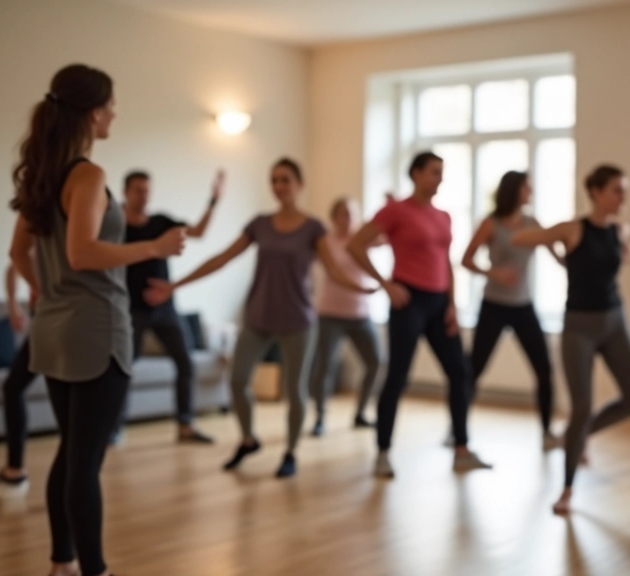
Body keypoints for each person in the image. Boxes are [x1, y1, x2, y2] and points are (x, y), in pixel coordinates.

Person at [9, 63, 186, 576]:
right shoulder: (87, 173)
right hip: (97, 332)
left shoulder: (44, 173)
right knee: (85, 462)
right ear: (93, 112)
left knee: (71, 455)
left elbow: (17, 252)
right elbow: (83, 252)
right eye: (110, 104)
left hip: (55, 331)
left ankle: (62, 562)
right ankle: (95, 569)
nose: (115, 113)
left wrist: (44, 289)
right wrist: (152, 245)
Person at [144, 157, 371, 478]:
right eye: (274, 180)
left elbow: (334, 269)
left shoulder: (313, 228)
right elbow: (221, 258)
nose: (279, 186)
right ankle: (248, 438)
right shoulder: (260, 224)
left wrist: (371, 287)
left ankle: (290, 452)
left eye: (286, 180)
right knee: (237, 381)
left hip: (298, 321)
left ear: (300, 184)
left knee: (295, 391)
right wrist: (175, 285)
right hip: (258, 317)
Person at [512, 164, 630, 515]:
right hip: (579, 327)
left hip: (615, 322)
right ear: (597, 192)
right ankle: (567, 488)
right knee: (581, 407)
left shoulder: (619, 230)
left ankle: (583, 434)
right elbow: (520, 238)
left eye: (625, 190)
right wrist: (549, 240)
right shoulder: (573, 229)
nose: (623, 197)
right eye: (618, 190)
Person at [347, 151, 492, 479]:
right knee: (398, 377)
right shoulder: (396, 210)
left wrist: (453, 304)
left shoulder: (443, 216)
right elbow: (356, 245)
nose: (439, 178)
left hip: (440, 302)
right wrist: (386, 284)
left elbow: (446, 261)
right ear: (415, 174)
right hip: (408, 301)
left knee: (459, 372)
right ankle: (383, 453)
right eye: (433, 172)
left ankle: (461, 449)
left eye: (442, 172)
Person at [112, 168, 225, 444]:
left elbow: (197, 232)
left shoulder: (161, 222)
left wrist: (214, 201)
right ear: (125, 192)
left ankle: (185, 426)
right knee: (122, 368)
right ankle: (113, 429)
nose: (144, 196)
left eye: (147, 190)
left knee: (185, 363)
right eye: (138, 190)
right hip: (131, 310)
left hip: (165, 309)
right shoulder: (115, 226)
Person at [460, 171, 562, 450]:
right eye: (527, 187)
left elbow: (559, 257)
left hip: (523, 306)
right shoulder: (491, 224)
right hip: (493, 306)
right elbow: (466, 260)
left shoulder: (533, 224)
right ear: (514, 190)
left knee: (544, 369)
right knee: (474, 369)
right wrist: (493, 272)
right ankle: (457, 430)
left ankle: (546, 432)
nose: (531, 191)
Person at [308, 198, 384, 436]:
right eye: (342, 213)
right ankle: (320, 418)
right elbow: (324, 271)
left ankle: (360, 413)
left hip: (361, 314)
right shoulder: (325, 242)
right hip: (330, 313)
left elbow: (388, 237)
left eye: (351, 214)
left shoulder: (362, 240)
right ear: (334, 217)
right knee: (325, 367)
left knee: (376, 362)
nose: (347, 218)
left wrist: (389, 206)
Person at [0, 265, 39, 489]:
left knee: (13, 388)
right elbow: (14, 265)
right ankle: (14, 468)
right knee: (13, 388)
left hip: (58, 322)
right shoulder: (44, 234)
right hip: (45, 323)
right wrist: (13, 305)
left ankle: (15, 469)